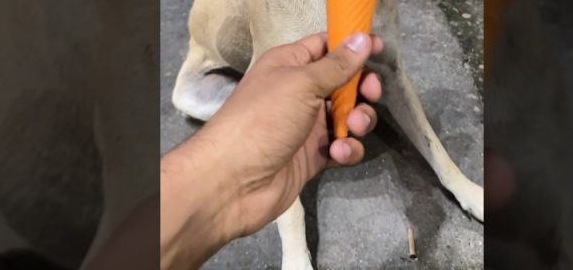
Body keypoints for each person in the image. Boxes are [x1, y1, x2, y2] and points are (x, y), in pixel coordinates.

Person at [88, 31, 514, 270]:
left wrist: (459, 183)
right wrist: (294, 253)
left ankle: (458, 184)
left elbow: (395, 76)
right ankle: (294, 252)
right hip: (208, 75)